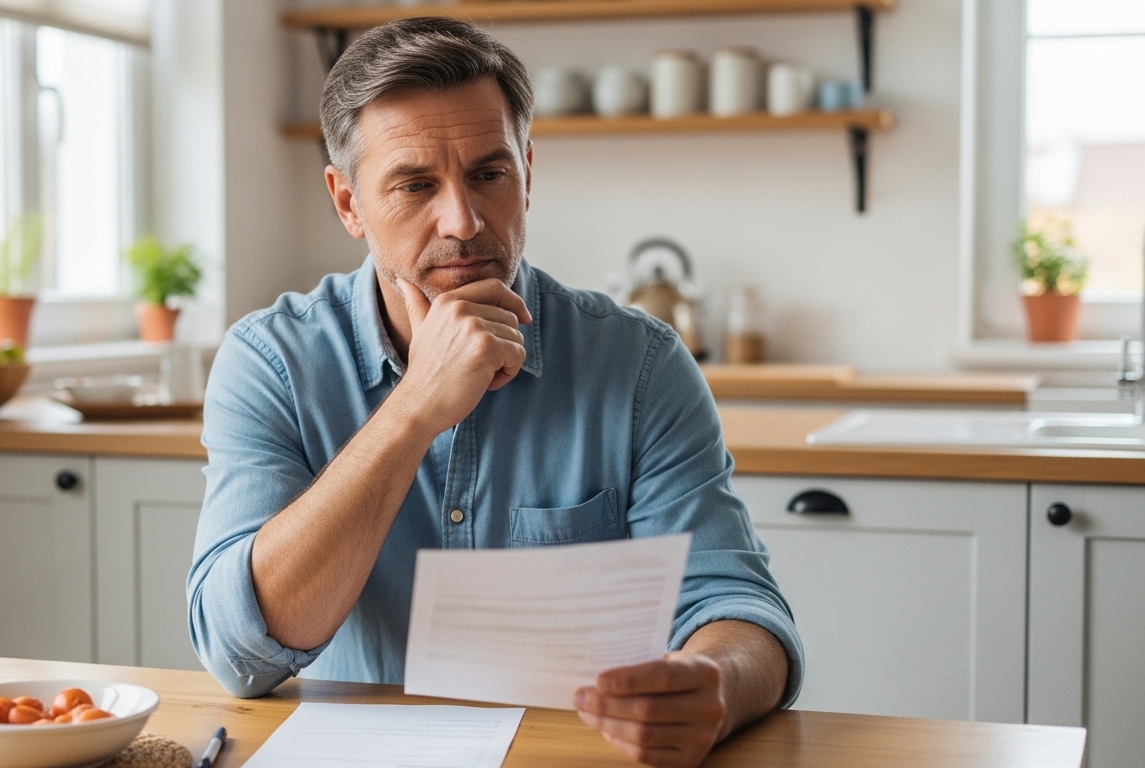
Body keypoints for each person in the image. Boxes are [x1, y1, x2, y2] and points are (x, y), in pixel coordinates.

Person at [187, 17, 802, 767]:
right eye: (415, 185)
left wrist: (714, 680)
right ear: (348, 203)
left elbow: (739, 608)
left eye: (488, 173)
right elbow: (239, 650)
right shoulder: (271, 362)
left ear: (528, 173)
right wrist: (416, 406)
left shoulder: (640, 364)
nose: (465, 220)